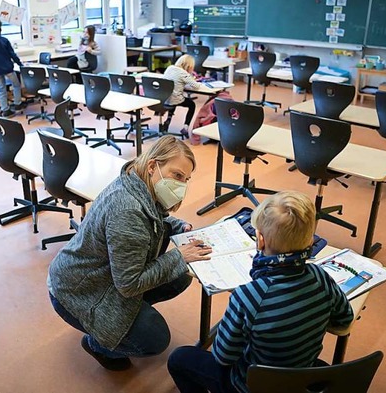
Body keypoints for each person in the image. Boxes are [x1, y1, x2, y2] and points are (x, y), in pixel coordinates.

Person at [48, 135, 212, 371]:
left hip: (101, 277)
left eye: (186, 179)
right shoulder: (127, 211)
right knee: (155, 340)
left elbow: (152, 215)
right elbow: (128, 284)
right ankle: (97, 344)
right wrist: (179, 256)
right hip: (77, 291)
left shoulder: (137, 179)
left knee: (179, 276)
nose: (181, 185)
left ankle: (125, 317)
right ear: (153, 165)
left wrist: (176, 226)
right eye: (177, 175)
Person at [167, 190, 355, 393]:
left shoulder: (248, 296)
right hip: (300, 380)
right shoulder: (320, 277)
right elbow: (345, 319)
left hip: (247, 386)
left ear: (260, 240)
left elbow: (223, 356)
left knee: (179, 359)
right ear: (310, 241)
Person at [163, 54, 203, 139]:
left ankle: (168, 121)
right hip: (175, 99)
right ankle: (185, 127)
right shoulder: (183, 73)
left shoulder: (170, 68)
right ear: (189, 66)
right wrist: (195, 80)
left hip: (165, 98)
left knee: (173, 98)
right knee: (191, 104)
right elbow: (196, 86)